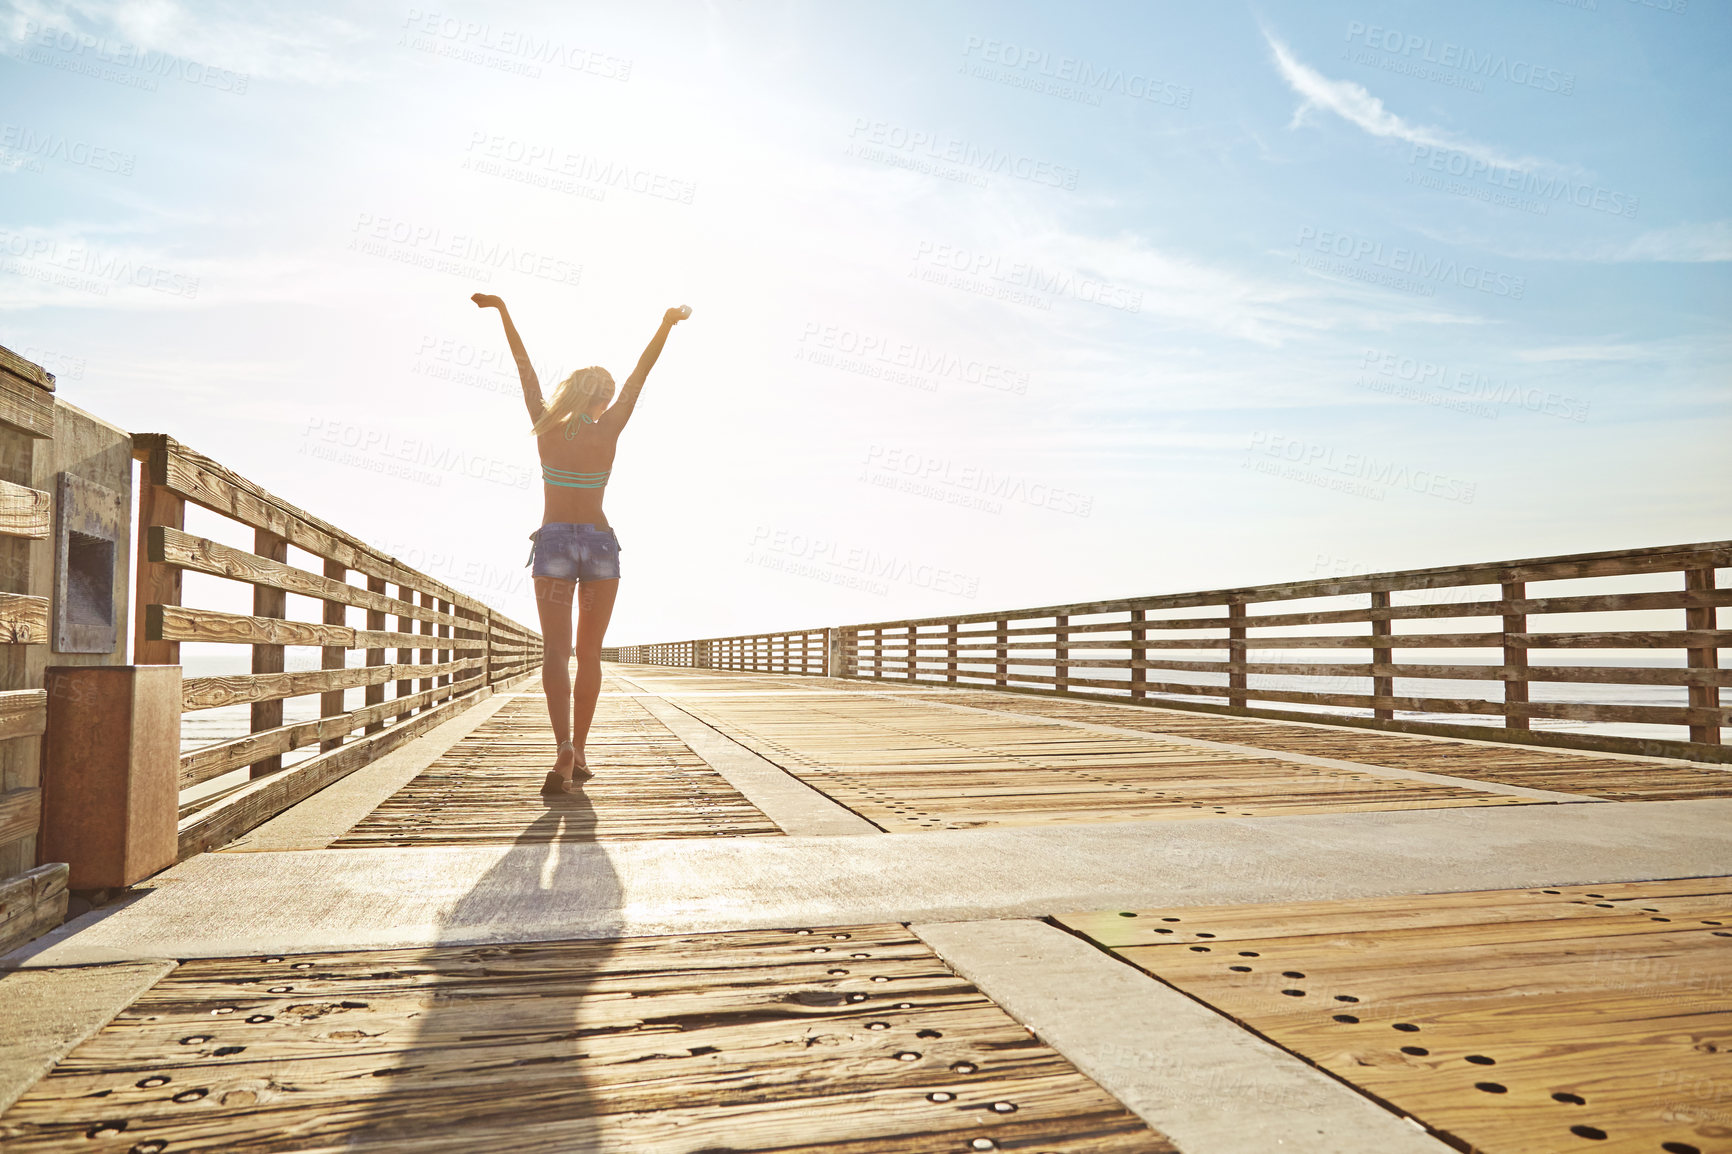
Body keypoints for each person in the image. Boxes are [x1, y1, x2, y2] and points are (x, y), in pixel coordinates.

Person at [472, 292, 688, 795]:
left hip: (552, 545)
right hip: (598, 545)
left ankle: (564, 746)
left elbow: (523, 370)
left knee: (555, 652)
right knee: (589, 654)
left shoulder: (547, 424)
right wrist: (666, 324)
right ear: (606, 398)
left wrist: (505, 311)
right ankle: (582, 749)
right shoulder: (611, 425)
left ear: (573, 392)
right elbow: (642, 373)